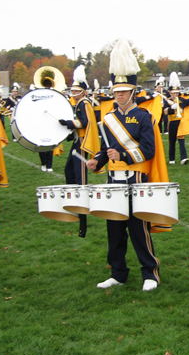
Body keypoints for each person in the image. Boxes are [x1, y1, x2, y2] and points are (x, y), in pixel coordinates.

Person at [86, 40, 163, 291]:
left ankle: (150, 273)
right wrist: (97, 159)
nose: (119, 95)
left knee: (138, 228)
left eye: (123, 91)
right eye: (116, 91)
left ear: (133, 92)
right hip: (113, 179)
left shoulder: (144, 116)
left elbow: (149, 151)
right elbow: (106, 149)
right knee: (114, 228)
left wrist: (125, 157)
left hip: (136, 179)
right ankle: (118, 273)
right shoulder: (108, 118)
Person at [59, 65, 100, 237]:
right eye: (72, 90)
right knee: (69, 171)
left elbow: (83, 122)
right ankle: (73, 204)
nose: (73, 93)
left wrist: (68, 123)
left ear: (83, 92)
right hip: (77, 141)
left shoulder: (83, 103)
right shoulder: (78, 103)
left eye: (77, 90)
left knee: (81, 180)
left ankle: (82, 219)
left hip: (82, 145)